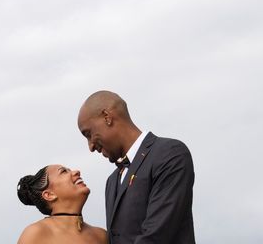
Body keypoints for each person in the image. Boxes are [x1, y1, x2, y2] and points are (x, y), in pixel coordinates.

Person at [77, 90, 195, 244]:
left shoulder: (169, 154)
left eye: (88, 134)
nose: (91, 146)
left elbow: (157, 236)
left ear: (107, 117)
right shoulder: (112, 181)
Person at [16, 164, 107, 244]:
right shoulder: (35, 234)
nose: (77, 172)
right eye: (63, 171)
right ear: (49, 195)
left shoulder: (102, 236)